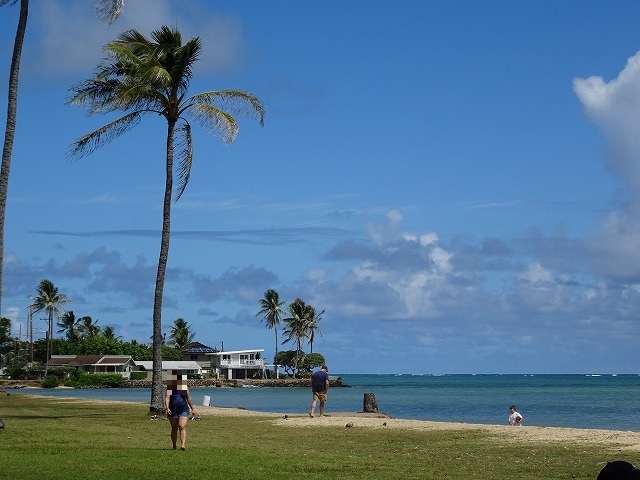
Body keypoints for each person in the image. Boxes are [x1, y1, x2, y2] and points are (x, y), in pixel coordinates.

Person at [164, 370, 196, 450]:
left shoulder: (184, 387)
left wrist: (193, 409)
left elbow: (189, 398)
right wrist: (167, 408)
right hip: (173, 409)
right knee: (174, 428)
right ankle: (174, 445)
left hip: (183, 408)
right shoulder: (170, 387)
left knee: (182, 426)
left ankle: (183, 445)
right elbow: (167, 398)